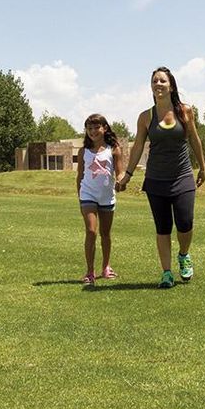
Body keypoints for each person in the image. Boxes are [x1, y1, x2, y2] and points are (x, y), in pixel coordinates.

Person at [117, 66, 205, 288]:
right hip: (156, 179)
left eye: (162, 81)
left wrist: (203, 168)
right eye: (154, 81)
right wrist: (127, 175)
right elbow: (138, 146)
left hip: (182, 176)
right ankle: (166, 273)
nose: (158, 84)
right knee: (163, 227)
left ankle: (184, 255)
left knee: (185, 223)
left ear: (171, 86)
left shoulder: (185, 111)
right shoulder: (145, 117)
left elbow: (194, 140)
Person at [76, 114, 124, 286]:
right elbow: (80, 175)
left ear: (105, 128)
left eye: (96, 127)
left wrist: (121, 181)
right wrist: (80, 196)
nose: (93, 131)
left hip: (107, 196)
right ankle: (90, 272)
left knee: (105, 233)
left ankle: (106, 267)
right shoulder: (83, 151)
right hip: (87, 195)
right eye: (89, 128)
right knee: (91, 231)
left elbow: (119, 172)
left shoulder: (114, 149)